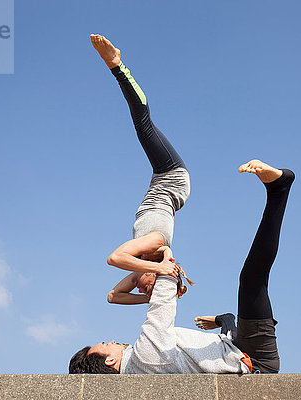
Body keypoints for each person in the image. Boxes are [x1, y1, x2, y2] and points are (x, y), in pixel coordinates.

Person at [69, 155, 295, 374]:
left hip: (238, 348)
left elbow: (115, 295)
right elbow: (161, 308)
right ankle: (278, 191)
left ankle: (278, 191)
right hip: (252, 356)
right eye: (103, 344)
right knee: (252, 279)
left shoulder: (141, 365)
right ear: (109, 360)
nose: (110, 341)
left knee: (251, 281)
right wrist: (164, 264)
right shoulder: (144, 356)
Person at [88, 34, 192, 304]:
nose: (140, 287)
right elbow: (114, 258)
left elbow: (113, 297)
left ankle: (116, 66)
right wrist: (159, 269)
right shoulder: (156, 244)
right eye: (146, 288)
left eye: (143, 291)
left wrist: (150, 298)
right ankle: (117, 66)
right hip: (172, 179)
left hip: (161, 188)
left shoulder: (143, 266)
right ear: (156, 274)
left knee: (143, 127)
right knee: (143, 124)